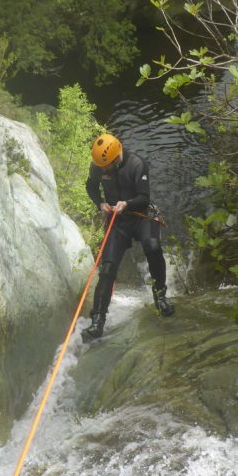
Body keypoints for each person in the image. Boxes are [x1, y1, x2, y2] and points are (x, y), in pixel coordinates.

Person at [82, 132, 175, 341]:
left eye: (107, 166)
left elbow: (144, 197)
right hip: (118, 220)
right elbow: (90, 186)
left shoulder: (137, 164)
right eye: (101, 166)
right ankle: (98, 320)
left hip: (140, 214)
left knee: (152, 246)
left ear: (117, 156)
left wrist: (127, 204)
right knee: (107, 267)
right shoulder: (98, 165)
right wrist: (101, 204)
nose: (103, 169)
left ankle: (160, 296)